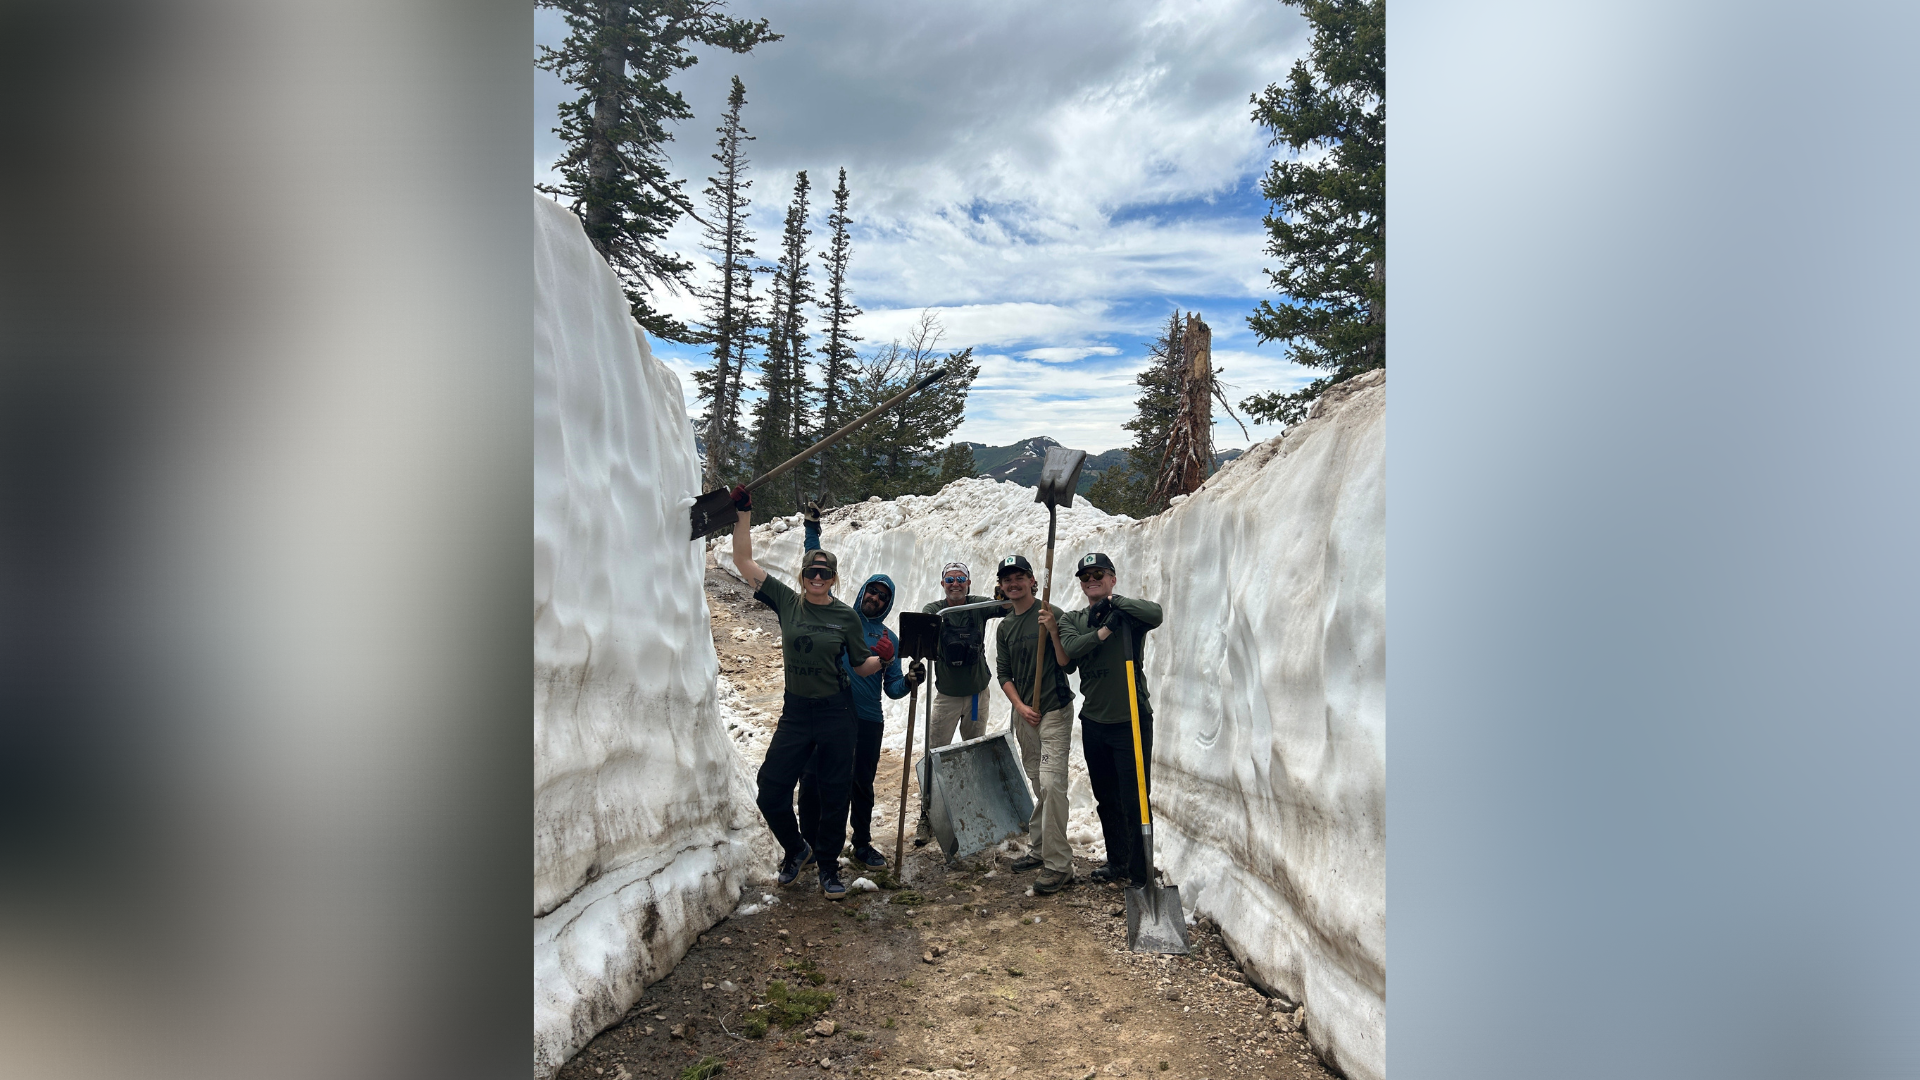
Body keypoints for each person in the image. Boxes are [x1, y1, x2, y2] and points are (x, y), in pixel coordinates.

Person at [727, 487, 884, 900]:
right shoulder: (786, 601)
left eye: (825, 574)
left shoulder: (845, 616)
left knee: (834, 791)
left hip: (837, 712)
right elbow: (743, 560)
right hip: (796, 712)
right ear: (803, 576)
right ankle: (797, 849)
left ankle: (829, 868)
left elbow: (860, 662)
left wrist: (881, 661)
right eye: (812, 573)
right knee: (771, 788)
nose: (817, 579)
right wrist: (743, 514)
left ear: (834, 578)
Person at [795, 504, 924, 869]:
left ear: (888, 603)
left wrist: (911, 681)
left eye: (884, 597)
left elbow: (893, 688)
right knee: (815, 780)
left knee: (861, 785)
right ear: (863, 590)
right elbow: (815, 568)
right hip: (830, 712)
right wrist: (812, 528)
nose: (876, 598)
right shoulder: (838, 617)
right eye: (873, 591)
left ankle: (862, 843)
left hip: (868, 719)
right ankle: (809, 844)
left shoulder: (890, 638)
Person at [1058, 552, 1165, 888]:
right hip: (1094, 722)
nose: (1092, 580)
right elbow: (1072, 648)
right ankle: (1118, 861)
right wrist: (1104, 629)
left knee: (1136, 797)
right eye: (1086, 576)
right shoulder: (1073, 619)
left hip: (1132, 718)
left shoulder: (1128, 613)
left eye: (1099, 574)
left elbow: (1156, 613)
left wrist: (1115, 604)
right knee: (1107, 797)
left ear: (1112, 577)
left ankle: (1139, 870)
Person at [992, 553, 1077, 894]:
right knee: (1040, 782)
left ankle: (1059, 866)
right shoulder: (1005, 626)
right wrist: (1020, 706)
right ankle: (1041, 849)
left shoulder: (1050, 613)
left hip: (1053, 710)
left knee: (1052, 785)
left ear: (1032, 581)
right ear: (1001, 586)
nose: (1013, 584)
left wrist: (1054, 630)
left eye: (1019, 577)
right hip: (1025, 714)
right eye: (1006, 579)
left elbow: (1066, 663)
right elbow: (1004, 674)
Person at [911, 560, 1009, 846]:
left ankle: (972, 810)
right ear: (943, 584)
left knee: (973, 751)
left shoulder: (977, 606)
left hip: (977, 695)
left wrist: (1003, 595)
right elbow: (922, 630)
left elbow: (1005, 607)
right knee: (934, 752)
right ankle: (926, 815)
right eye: (950, 579)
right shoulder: (935, 610)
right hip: (947, 698)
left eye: (961, 579)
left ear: (968, 582)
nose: (955, 584)